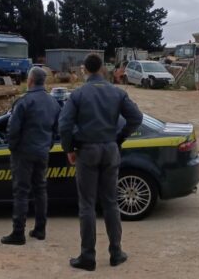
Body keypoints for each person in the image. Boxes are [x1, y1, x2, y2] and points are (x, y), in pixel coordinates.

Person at [59, 53, 143, 271]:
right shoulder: (117, 92)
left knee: (87, 204)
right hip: (110, 149)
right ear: (102, 70)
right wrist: (119, 138)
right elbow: (136, 118)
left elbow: (64, 125)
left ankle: (88, 256)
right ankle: (116, 252)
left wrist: (69, 149)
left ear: (85, 69)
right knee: (111, 203)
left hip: (87, 152)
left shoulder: (78, 95)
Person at [1, 67, 61, 245]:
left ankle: (18, 233)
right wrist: (47, 145)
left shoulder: (24, 102)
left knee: (21, 192)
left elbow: (13, 129)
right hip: (42, 152)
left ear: (31, 80)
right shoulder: (53, 103)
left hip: (24, 153)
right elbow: (56, 130)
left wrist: (13, 148)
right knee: (40, 190)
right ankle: (40, 230)